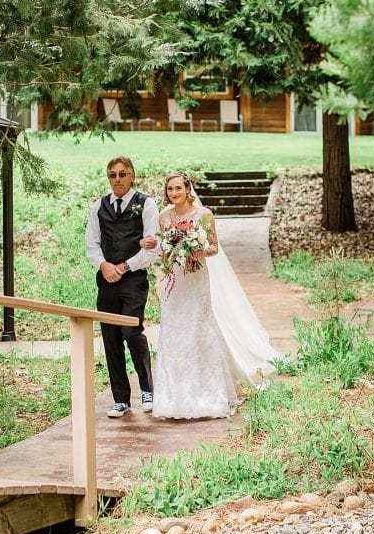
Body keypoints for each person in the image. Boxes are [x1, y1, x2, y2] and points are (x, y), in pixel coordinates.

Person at [150, 171, 278, 421]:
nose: (174, 193)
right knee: (174, 332)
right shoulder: (163, 217)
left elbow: (214, 247)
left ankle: (207, 394)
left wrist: (196, 249)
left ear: (188, 190)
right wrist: (164, 270)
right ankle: (173, 398)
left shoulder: (204, 214)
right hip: (175, 282)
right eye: (170, 190)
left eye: (178, 188)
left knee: (198, 329)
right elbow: (164, 254)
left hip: (196, 277)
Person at [85, 156, 160, 418]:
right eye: (112, 175)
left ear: (132, 176)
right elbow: (92, 244)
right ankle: (121, 399)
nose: (117, 179)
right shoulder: (99, 206)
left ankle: (148, 389)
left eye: (122, 174)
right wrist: (105, 266)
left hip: (134, 279)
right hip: (106, 280)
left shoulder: (146, 204)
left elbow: (153, 245)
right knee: (110, 338)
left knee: (131, 331)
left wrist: (124, 267)